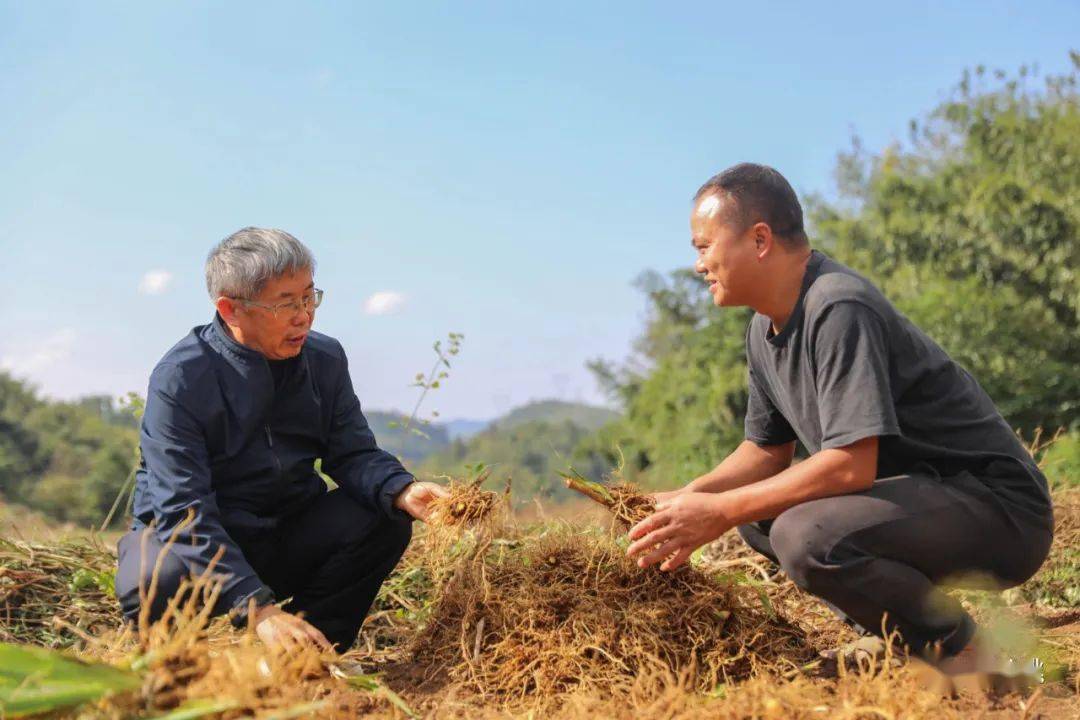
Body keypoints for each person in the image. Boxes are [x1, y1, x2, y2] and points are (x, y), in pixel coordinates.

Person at [626, 163, 1053, 674]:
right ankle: (894, 635)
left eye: (703, 246)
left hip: (999, 510)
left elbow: (851, 467)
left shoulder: (838, 306)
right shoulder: (764, 329)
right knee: (762, 520)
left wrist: (719, 512)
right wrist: (689, 497)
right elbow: (765, 452)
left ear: (759, 239)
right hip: (924, 500)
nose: (698, 265)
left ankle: (964, 651)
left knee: (804, 536)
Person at [114, 227, 448, 652]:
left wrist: (402, 489)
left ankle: (310, 656)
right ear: (231, 309)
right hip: (198, 547)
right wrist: (256, 608)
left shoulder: (324, 360)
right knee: (151, 577)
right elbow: (183, 510)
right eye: (286, 303)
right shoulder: (181, 379)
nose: (303, 315)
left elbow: (352, 452)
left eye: (309, 297)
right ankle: (171, 672)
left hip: (282, 530)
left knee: (381, 517)